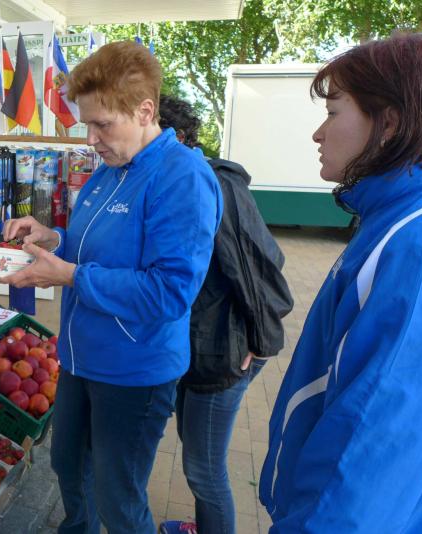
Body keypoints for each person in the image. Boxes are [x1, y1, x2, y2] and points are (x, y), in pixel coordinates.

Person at [0, 41, 223, 534]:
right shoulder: (109, 171)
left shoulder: (182, 177)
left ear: (145, 111)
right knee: (67, 464)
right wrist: (52, 238)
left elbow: (169, 292)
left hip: (134, 370)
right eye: (87, 124)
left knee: (118, 498)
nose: (91, 138)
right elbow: (91, 246)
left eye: (102, 124)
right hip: (82, 358)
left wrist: (69, 275)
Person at [259, 32, 422, 532]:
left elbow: (370, 445)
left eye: (333, 111)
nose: (318, 134)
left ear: (390, 123)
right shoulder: (401, 218)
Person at [157, 95, 294, 534]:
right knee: (193, 445)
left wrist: (260, 342)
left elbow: (260, 269)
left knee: (204, 468)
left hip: (224, 350)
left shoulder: (215, 185)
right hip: (197, 347)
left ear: (177, 138)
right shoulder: (174, 184)